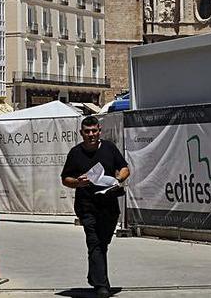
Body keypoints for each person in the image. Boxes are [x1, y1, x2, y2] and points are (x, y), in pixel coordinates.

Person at [61, 115, 130, 298]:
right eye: (87, 132)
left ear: (99, 131)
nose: (91, 134)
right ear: (81, 133)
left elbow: (124, 168)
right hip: (87, 206)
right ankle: (102, 286)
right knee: (94, 242)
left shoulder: (109, 148)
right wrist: (78, 182)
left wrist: (119, 179)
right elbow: (65, 179)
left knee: (102, 243)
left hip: (109, 205)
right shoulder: (75, 153)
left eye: (94, 131)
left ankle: (94, 275)